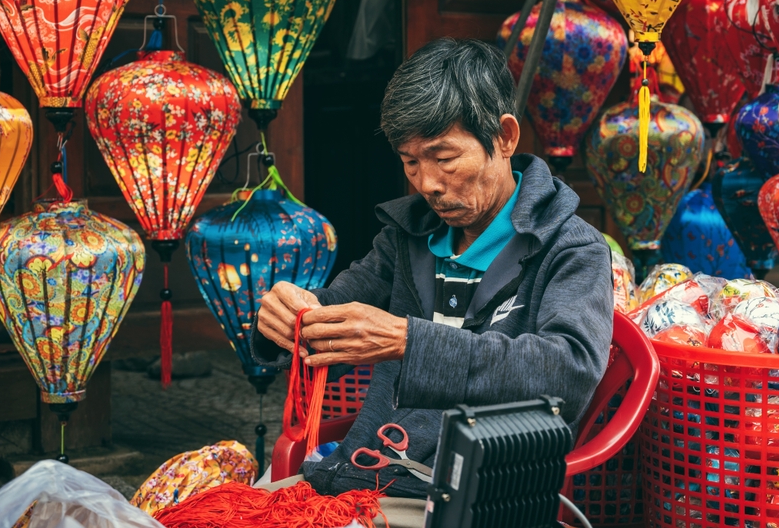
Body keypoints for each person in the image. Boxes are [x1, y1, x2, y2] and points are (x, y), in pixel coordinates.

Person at [253, 37, 614, 527]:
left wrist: (409, 342)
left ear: (504, 137)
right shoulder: (408, 237)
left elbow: (567, 372)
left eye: (444, 158)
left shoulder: (570, 249)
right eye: (410, 161)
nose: (427, 184)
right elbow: (331, 311)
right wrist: (288, 316)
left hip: (474, 497)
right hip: (361, 477)